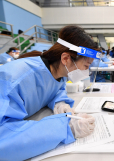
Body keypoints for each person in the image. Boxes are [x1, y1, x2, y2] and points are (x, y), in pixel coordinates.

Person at [0, 25, 101, 160]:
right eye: (86, 66)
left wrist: (60, 103)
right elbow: (4, 140)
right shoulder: (13, 80)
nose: (86, 72)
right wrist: (66, 128)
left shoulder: (56, 73)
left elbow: (54, 89)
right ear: (65, 59)